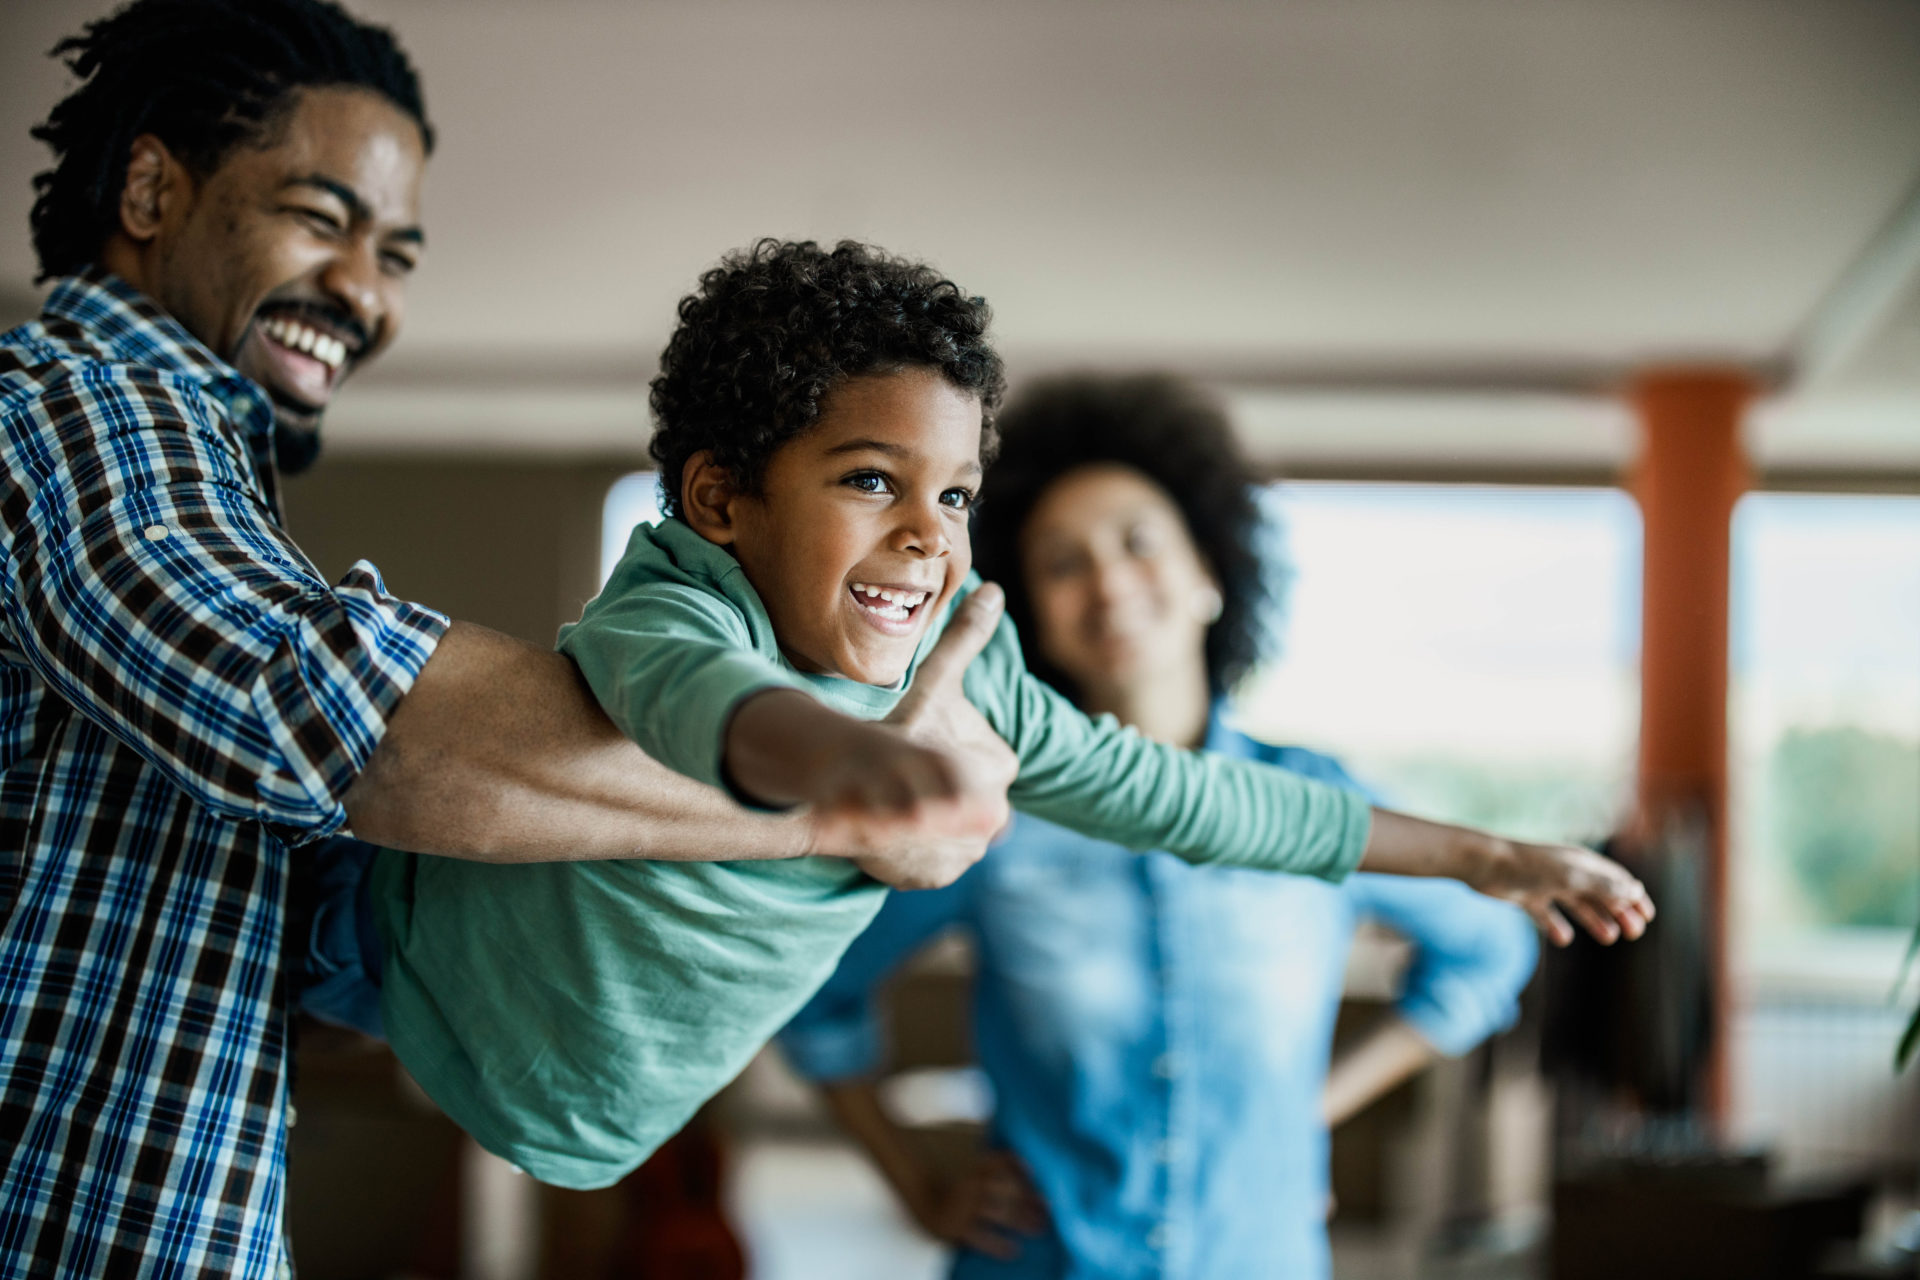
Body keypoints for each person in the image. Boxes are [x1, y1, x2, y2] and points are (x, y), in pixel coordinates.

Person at [0, 5, 1010, 1273]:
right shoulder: (79, 406)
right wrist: (845, 804)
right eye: (321, 219)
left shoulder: (189, 464)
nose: (367, 291)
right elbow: (328, 718)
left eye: (398, 253)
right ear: (151, 187)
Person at [363, 238, 1651, 1195]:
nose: (928, 533)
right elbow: (715, 708)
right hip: (406, 970)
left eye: (960, 494)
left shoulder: (969, 673)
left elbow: (1200, 799)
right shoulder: (680, 605)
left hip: (588, 1113)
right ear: (720, 498)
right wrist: (856, 765)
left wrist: (1483, 855)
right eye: (873, 480)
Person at [779, 374, 1546, 1278]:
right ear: (1032, 616)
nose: (1106, 581)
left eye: (1139, 543)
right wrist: (917, 1187)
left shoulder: (1314, 800)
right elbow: (816, 993)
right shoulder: (991, 810)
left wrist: (1303, 1112)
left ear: (1211, 575)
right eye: (1062, 562)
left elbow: (1490, 951)